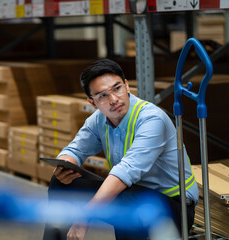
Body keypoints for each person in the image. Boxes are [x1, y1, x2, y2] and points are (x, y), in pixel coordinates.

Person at [42, 59, 198, 240]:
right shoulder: (99, 119)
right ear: (93, 102)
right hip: (132, 194)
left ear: (127, 86)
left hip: (172, 206)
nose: (113, 100)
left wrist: (85, 217)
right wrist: (65, 166)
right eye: (102, 96)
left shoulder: (152, 119)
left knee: (126, 202)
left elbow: (126, 172)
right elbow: (75, 149)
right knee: (62, 182)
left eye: (117, 88)